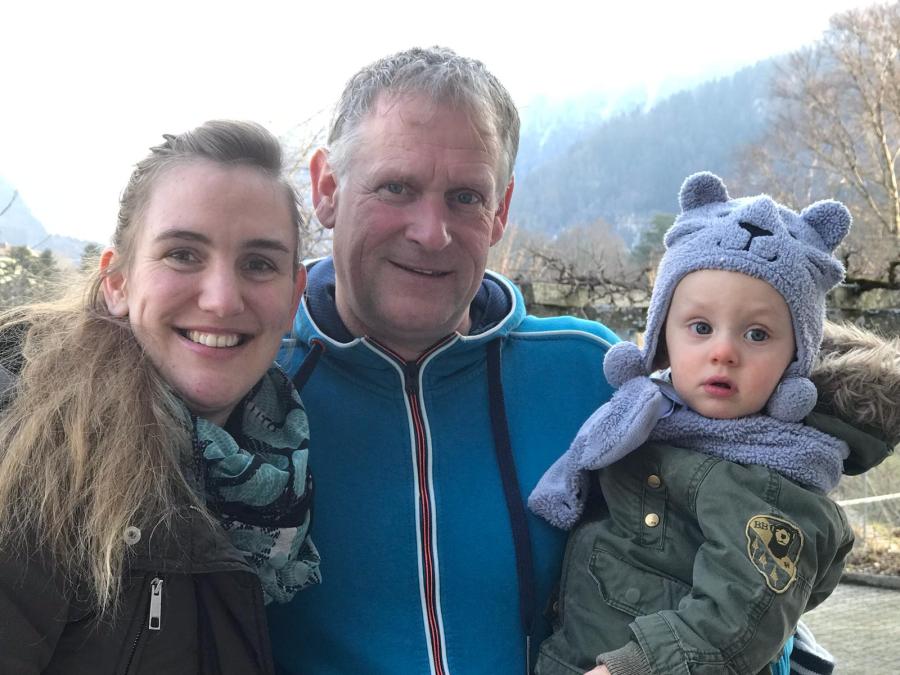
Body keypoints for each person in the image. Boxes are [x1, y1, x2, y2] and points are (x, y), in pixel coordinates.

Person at [267, 48, 895, 674]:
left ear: (500, 211)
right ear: (326, 188)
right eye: (396, 187)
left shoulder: (604, 383)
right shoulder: (252, 388)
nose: (432, 231)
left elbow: (750, 598)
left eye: (465, 196)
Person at [528, 172, 892, 674]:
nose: (723, 351)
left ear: (794, 361)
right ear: (662, 339)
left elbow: (740, 618)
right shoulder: (654, 425)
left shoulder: (772, 480)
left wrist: (630, 669)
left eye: (757, 334)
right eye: (700, 327)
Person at [0, 120, 320, 674]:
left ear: (294, 296)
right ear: (118, 283)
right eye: (183, 254)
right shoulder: (34, 464)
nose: (222, 300)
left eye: (259, 264)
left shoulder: (284, 456)